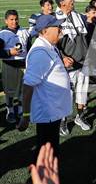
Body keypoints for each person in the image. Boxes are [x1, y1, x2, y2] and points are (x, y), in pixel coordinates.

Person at [17, 15, 72, 157]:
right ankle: (41, 178)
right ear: (45, 31)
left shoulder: (49, 46)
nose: (60, 29)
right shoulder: (40, 52)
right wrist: (26, 115)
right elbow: (28, 86)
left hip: (53, 111)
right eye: (57, 27)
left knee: (50, 151)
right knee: (46, 153)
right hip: (48, 113)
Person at [54, 0, 91, 134]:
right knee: (66, 94)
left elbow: (84, 39)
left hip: (83, 62)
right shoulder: (55, 19)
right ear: (62, 3)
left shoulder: (78, 16)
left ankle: (80, 116)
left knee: (82, 92)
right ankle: (63, 120)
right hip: (67, 66)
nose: (73, 1)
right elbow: (52, 43)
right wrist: (62, 57)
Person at [0, 10, 31, 123]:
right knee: (9, 90)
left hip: (23, 64)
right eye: (11, 19)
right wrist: (9, 53)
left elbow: (29, 48)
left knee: (23, 89)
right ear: (6, 21)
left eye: (16, 19)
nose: (14, 21)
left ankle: (21, 110)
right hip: (9, 64)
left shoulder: (24, 31)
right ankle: (10, 111)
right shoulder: (2, 34)